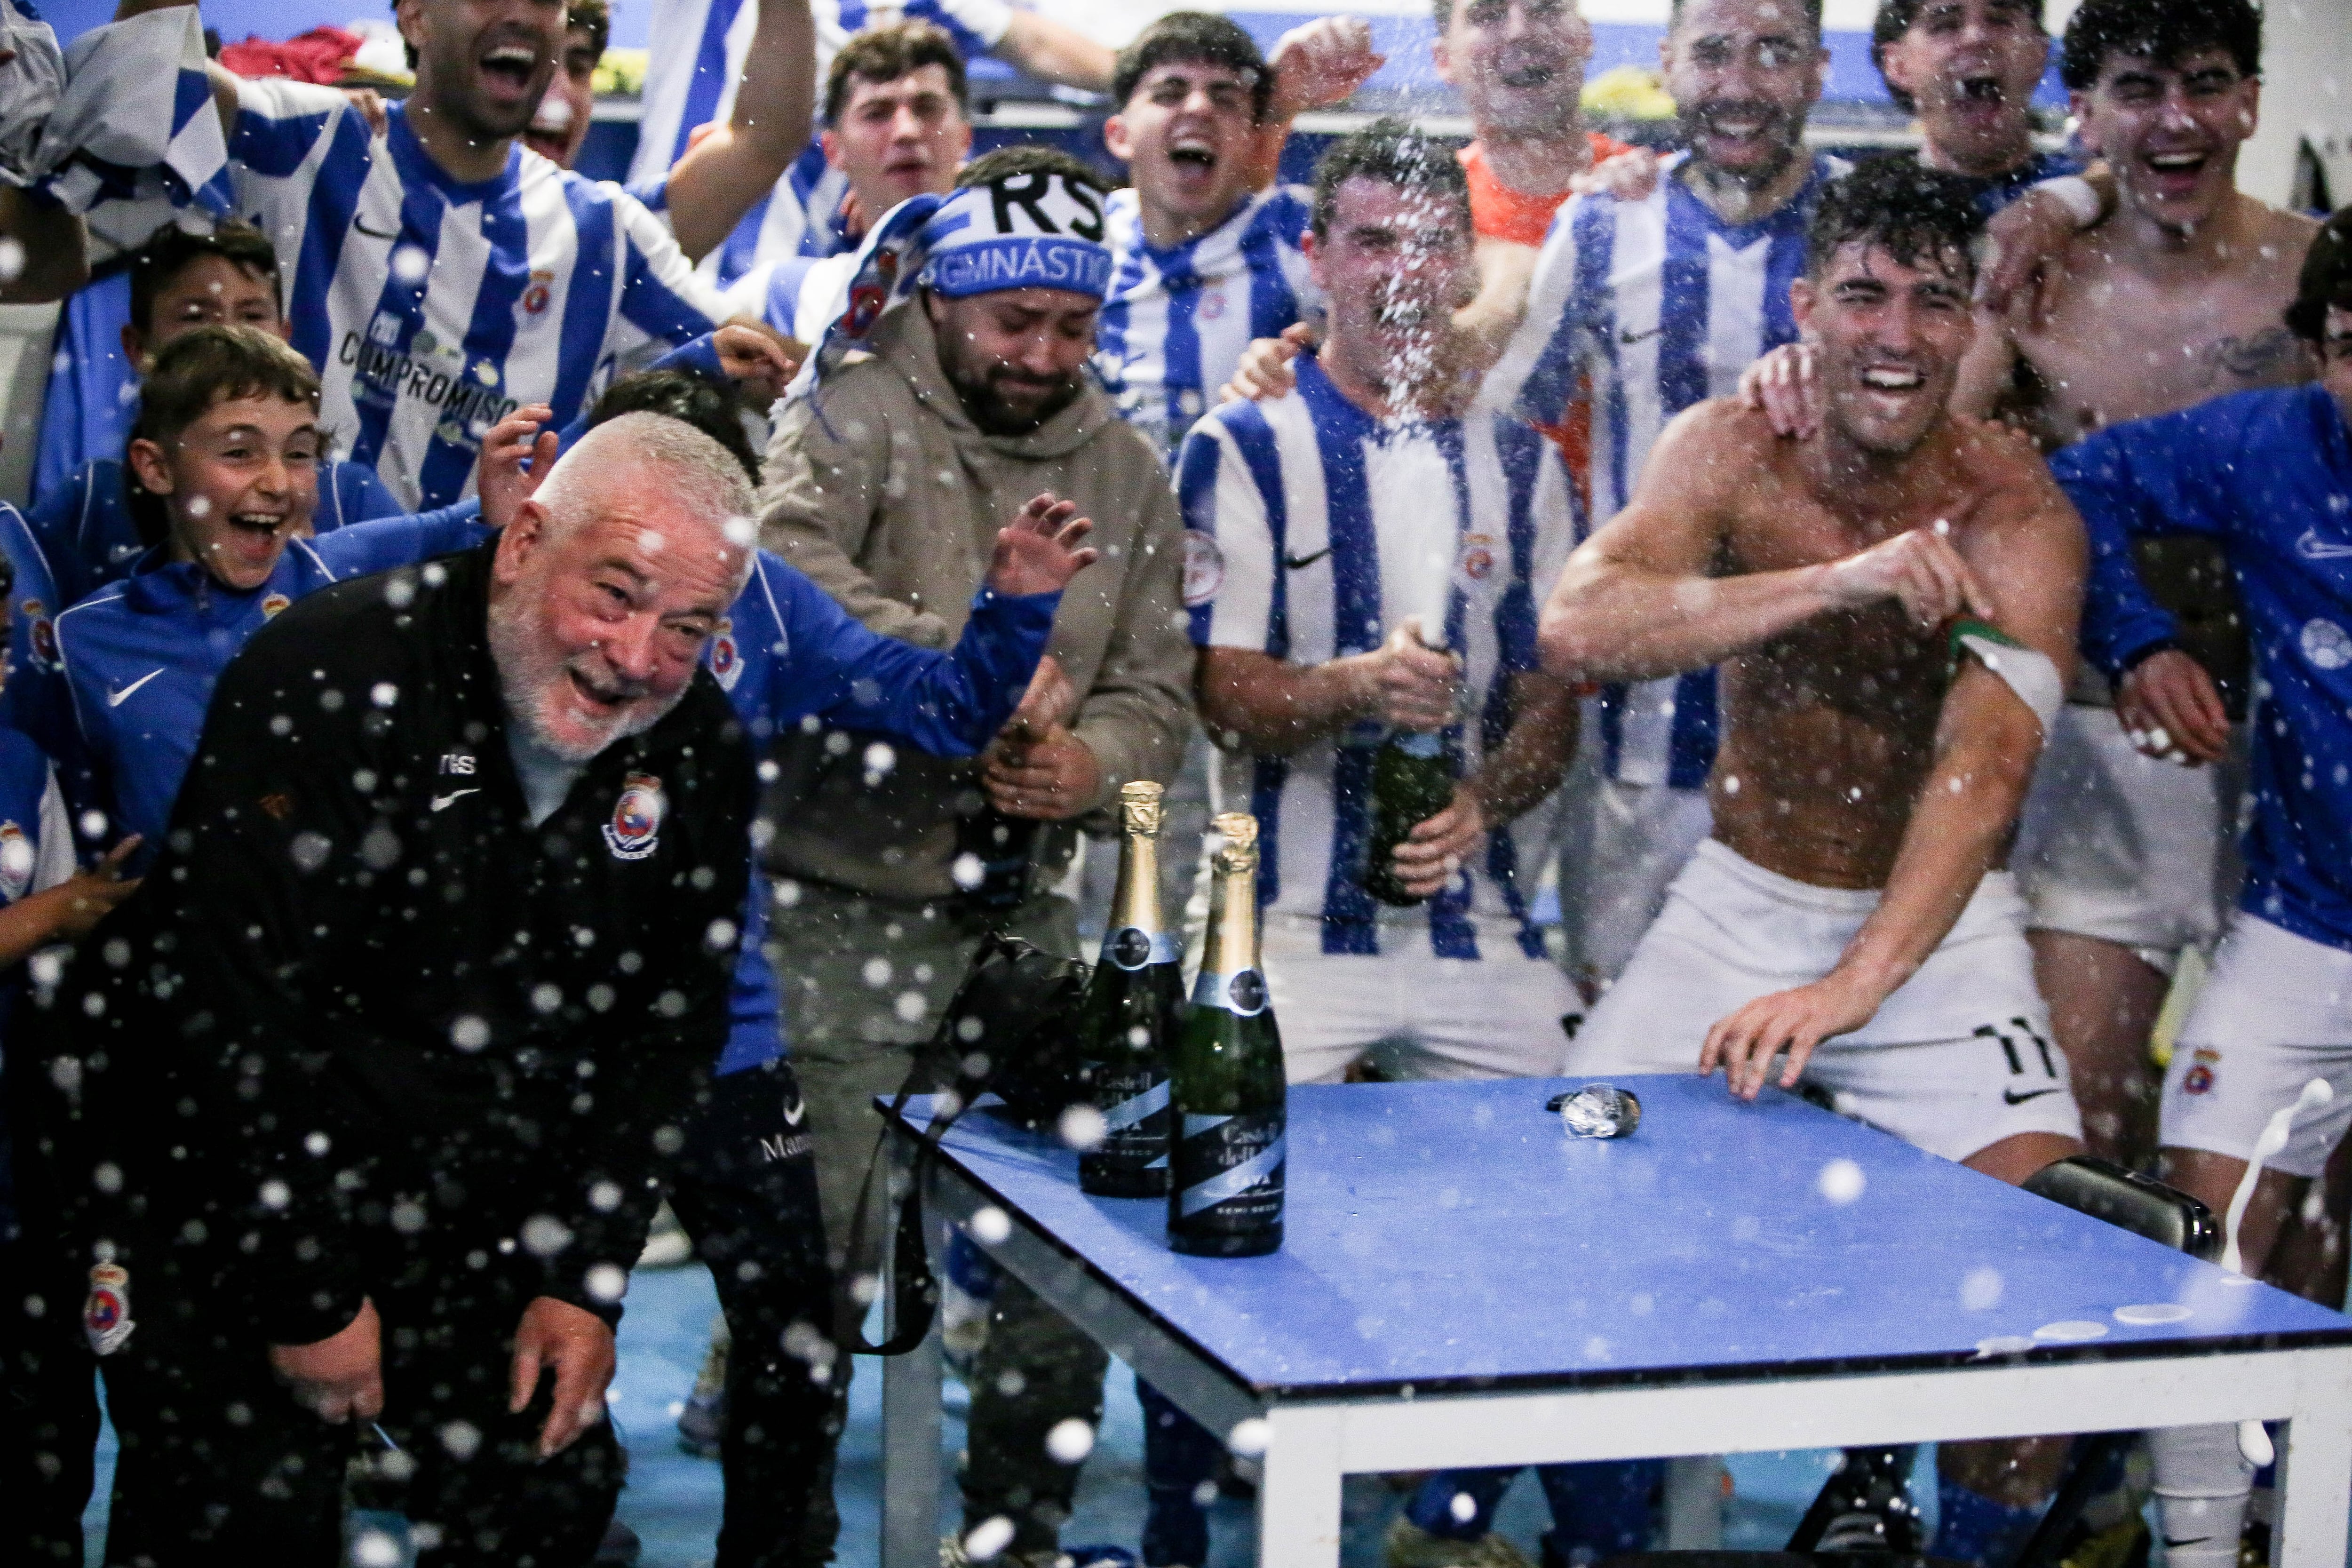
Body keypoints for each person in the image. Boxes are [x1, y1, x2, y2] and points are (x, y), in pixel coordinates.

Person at [29, 411, 760, 1564]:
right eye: (614, 595)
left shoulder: (697, 747)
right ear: (523, 544)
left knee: (545, 1502)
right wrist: (307, 1297)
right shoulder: (327, 672)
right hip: (225, 1193)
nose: (636, 658)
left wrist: (585, 1278)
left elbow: (666, 1032)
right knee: (227, 1523)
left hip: (481, 1215)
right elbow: (230, 1016)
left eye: (688, 626)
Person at [1542, 158, 2090, 1568]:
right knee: (1558, 1249)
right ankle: (1607, 1546)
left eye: (1928, 301)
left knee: (2041, 1298)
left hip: (1934, 933)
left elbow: (1980, 780)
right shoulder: (1727, 448)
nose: (1894, 334)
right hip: (1735, 905)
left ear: (1970, 325)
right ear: (1806, 306)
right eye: (1861, 295)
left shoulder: (2015, 514)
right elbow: (1580, 630)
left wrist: (1855, 983)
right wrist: (1833, 581)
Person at [756, 146, 1192, 1568]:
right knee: (804, 1279)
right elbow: (782, 594)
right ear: (945, 295)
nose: (1043, 354)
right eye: (1015, 323)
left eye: (1072, 326)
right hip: (832, 915)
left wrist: (1091, 762)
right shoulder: (845, 413)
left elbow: (1154, 692)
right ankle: (783, 1545)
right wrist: (987, 668)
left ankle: (1016, 1544)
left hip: (1023, 913)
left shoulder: (1123, 465)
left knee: (1067, 1265)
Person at [1179, 120, 1607, 1568]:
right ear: (1318, 260)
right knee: (1211, 1209)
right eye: (1371, 240)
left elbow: (1552, 706)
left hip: (1479, 933)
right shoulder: (1242, 442)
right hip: (1290, 931)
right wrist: (1350, 690)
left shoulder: (1523, 469)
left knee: (1593, 1188)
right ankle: (1195, 1521)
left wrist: (1489, 792)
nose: (1404, 273)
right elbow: (1217, 685)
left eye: (1432, 243)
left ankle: (1466, 1516)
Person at [2042, 207, 2352, 1568]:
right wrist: (2140, 638)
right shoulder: (2271, 442)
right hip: (2300, 927)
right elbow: (2078, 484)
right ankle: (2206, 1544)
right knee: (2198, 1251)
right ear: (2315, 346)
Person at [1957, 0, 2313, 1167]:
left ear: (2250, 102)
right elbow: (1947, 460)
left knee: (2297, 1160)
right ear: (2087, 112)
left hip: (2303, 752)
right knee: (2081, 1124)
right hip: (2102, 752)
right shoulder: (2032, 282)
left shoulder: (2316, 278)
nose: (2178, 120)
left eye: (2206, 85)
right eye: (2138, 90)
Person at [111, 0, 779, 511]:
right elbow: (145, 88)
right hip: (281, 611)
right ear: (416, 16)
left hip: (473, 645)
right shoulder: (312, 142)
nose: (521, 13)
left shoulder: (604, 232)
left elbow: (766, 371)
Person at [28, 222, 404, 608]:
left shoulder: (349, 500)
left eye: (252, 317)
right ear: (138, 347)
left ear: (285, 338)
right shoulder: (90, 504)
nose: (229, 338)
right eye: (196, 318)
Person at [1094, 11, 1378, 462]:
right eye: (1169, 93)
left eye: (1225, 100)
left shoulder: (1300, 231)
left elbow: (1413, 336)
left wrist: (1322, 353)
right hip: (1104, 525)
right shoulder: (1082, 237)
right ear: (1119, 135)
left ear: (1253, 140)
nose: (1199, 108)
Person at [720, 20, 977, 338]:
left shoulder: (1022, 293)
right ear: (834, 149)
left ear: (965, 138)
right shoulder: (780, 297)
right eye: (877, 113)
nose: (906, 132)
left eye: (927, 108)